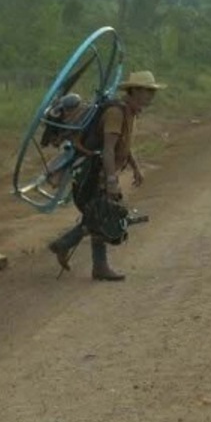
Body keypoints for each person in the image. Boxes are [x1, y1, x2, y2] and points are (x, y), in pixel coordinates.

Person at [48, 70, 163, 281]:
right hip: (93, 173)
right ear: (134, 91)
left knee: (99, 216)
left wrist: (135, 167)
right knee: (100, 217)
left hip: (101, 172)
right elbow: (108, 149)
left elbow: (124, 146)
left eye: (151, 92)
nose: (150, 96)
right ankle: (64, 246)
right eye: (147, 91)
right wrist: (111, 181)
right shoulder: (116, 113)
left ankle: (97, 266)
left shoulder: (129, 112)